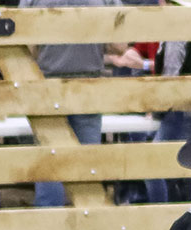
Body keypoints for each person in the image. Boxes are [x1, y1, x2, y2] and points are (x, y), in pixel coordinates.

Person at [18, 0, 132, 207]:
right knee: (87, 165)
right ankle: (88, 224)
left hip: (48, 84)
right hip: (87, 86)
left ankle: (48, 227)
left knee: (50, 163)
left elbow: (25, 43)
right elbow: (120, 44)